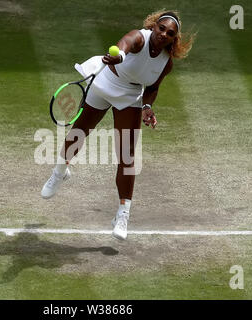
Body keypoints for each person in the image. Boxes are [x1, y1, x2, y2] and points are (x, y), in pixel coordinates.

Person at [41, 10, 194, 240]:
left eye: (169, 33)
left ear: (174, 38)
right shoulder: (139, 37)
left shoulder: (166, 64)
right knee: (79, 133)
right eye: (161, 28)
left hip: (130, 95)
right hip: (106, 81)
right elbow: (125, 44)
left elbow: (151, 89)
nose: (163, 34)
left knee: (127, 156)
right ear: (154, 26)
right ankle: (59, 172)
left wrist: (147, 108)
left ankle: (123, 214)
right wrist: (120, 56)